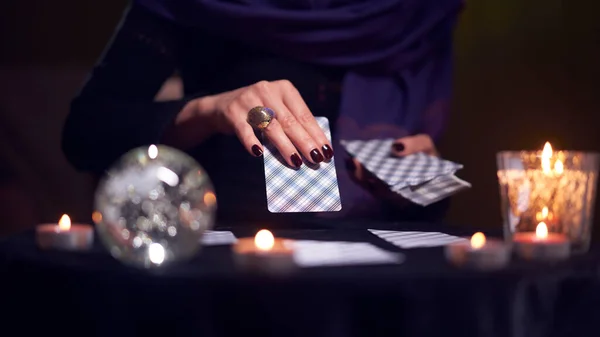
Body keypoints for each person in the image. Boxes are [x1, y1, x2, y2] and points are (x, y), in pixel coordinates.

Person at [61, 0, 463, 226]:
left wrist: (422, 180)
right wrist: (210, 109)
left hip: (391, 277)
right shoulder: (202, 7)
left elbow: (423, 180)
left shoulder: (417, 13)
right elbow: (86, 132)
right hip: (240, 274)